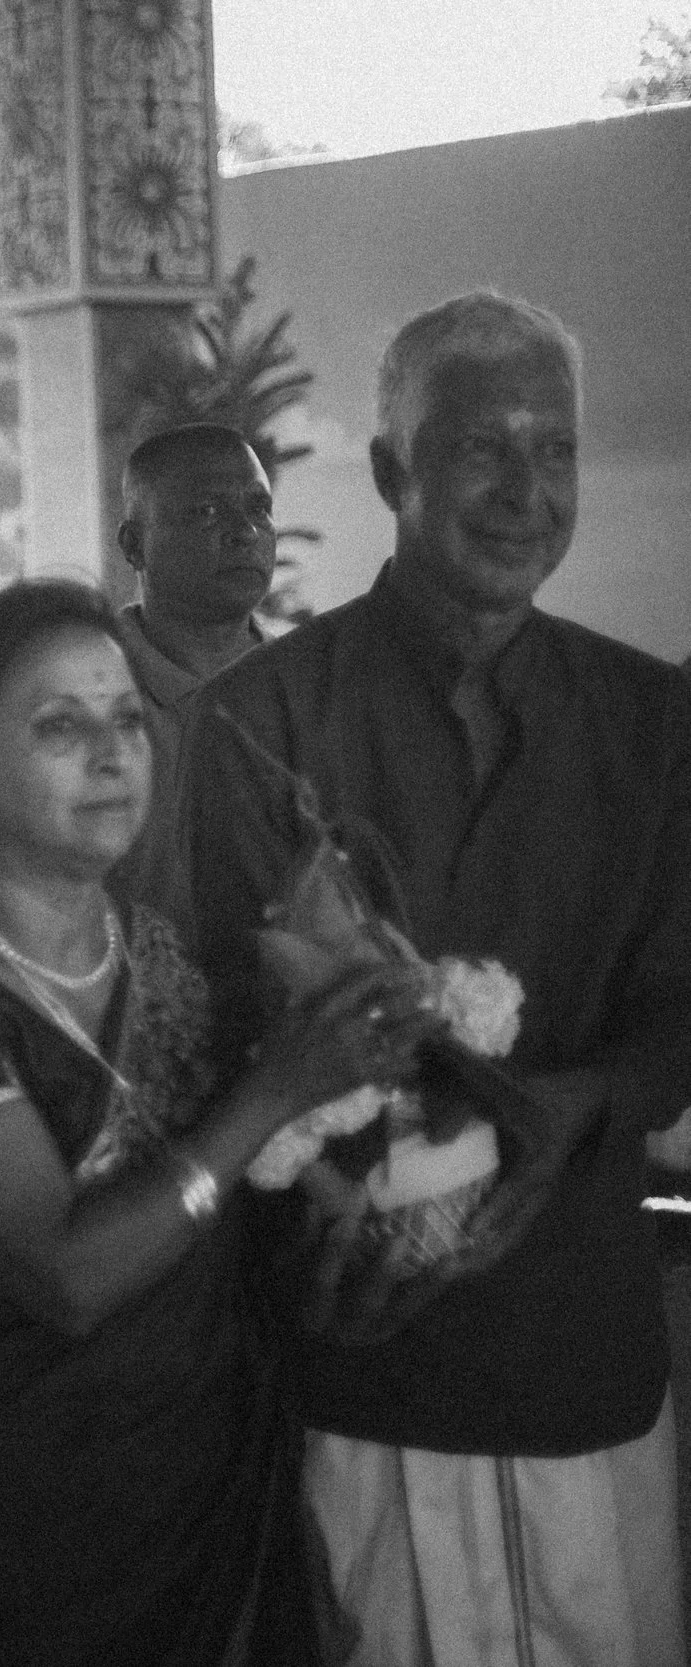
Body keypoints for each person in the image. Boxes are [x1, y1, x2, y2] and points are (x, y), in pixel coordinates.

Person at [184, 291, 691, 1665]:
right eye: (481, 448)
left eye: (559, 451)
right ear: (392, 472)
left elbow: (679, 1011)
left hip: (581, 1338)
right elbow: (214, 1029)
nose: (527, 492)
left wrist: (574, 1103)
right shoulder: (257, 722)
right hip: (362, 1349)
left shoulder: (654, 722)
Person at [0, 579, 431, 1665]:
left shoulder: (152, 948)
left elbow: (228, 1171)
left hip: (206, 1484)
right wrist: (278, 1089)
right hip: (17, 1521)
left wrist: (362, 1209)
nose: (114, 756)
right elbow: (65, 1275)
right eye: (61, 726)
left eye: (125, 720)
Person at [108, 423, 276, 933]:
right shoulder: (91, 696)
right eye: (205, 512)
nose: (244, 531)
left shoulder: (312, 687)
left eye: (259, 508)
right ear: (134, 546)